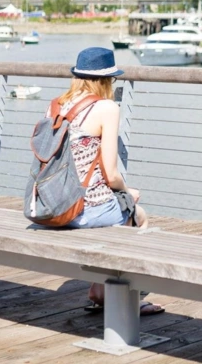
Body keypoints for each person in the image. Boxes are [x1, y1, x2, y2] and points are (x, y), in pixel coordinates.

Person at [50, 46, 164, 315]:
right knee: (138, 215)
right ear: (105, 80)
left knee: (117, 209)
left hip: (52, 205)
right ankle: (128, 298)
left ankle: (100, 289)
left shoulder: (56, 105)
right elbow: (111, 175)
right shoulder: (106, 108)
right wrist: (128, 192)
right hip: (81, 210)